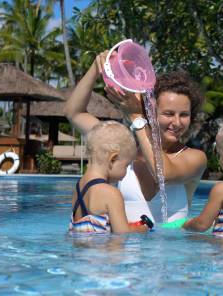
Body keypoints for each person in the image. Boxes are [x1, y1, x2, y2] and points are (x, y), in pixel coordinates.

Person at [65, 50, 207, 224]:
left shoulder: (195, 157)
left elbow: (163, 175)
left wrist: (136, 117)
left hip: (174, 251)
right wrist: (96, 68)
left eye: (184, 114)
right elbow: (74, 113)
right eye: (168, 113)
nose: (177, 122)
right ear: (151, 112)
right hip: (124, 250)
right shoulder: (123, 147)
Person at [69, 121, 152, 234]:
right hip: (106, 251)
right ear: (113, 159)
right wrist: (142, 229)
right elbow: (122, 234)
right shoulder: (111, 193)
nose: (126, 173)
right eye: (126, 165)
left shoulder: (78, 188)